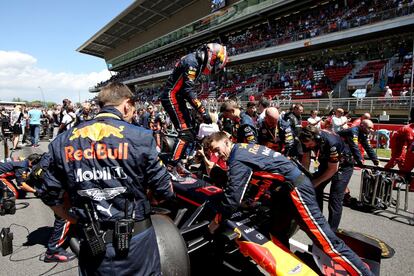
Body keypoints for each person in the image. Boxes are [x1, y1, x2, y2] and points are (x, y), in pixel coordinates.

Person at [41, 82, 174, 275]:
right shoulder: (141, 137)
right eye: (133, 110)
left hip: (91, 240)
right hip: (136, 244)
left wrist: (71, 218)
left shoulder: (63, 140)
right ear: (127, 104)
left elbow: (48, 193)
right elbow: (165, 190)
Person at [204, 132, 374, 276]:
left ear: (227, 141)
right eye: (214, 153)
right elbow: (261, 178)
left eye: (218, 150)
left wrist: (216, 221)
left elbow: (232, 199)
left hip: (296, 190)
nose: (218, 155)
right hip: (284, 192)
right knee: (276, 232)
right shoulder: (242, 149)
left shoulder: (238, 158)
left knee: (327, 242)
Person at [160, 43, 228, 165]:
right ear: (212, 56)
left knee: (190, 133)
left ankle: (177, 162)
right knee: (186, 133)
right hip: (172, 97)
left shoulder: (196, 61)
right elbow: (188, 91)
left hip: (177, 97)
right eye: (215, 62)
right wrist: (202, 111)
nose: (214, 67)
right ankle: (171, 167)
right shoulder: (192, 62)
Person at [299, 126, 354, 232]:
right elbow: (306, 158)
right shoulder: (306, 138)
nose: (308, 146)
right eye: (306, 145)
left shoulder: (332, 143)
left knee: (335, 198)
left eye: (310, 144)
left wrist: (315, 182)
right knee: (315, 189)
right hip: (325, 161)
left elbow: (333, 169)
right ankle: (318, 222)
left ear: (317, 138)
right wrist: (305, 175)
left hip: (343, 164)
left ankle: (331, 232)